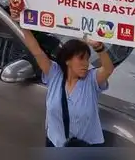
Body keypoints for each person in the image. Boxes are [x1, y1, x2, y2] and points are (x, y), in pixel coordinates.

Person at [14, 14, 113, 148]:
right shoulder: (54, 74)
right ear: (67, 60)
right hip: (56, 144)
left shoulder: (91, 80)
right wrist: (23, 24)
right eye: (81, 59)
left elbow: (107, 69)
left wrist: (99, 48)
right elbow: (36, 51)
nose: (86, 64)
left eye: (87, 59)